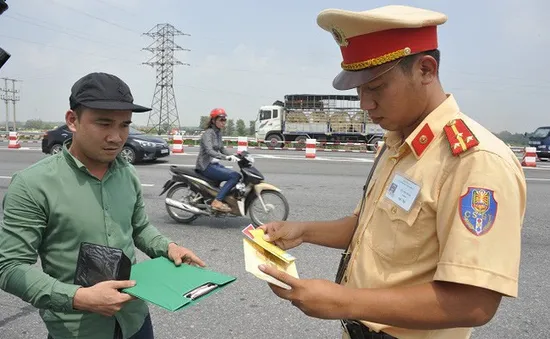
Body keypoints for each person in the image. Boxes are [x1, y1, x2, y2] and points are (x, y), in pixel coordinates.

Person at [257, 5, 527, 339]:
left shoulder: (475, 160)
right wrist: (302, 231)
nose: (364, 104)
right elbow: (368, 227)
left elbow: (474, 302)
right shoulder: (396, 143)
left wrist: (344, 302)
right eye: (358, 90)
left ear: (426, 70)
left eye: (376, 87)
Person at [0, 72, 206, 339]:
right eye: (104, 123)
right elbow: (11, 267)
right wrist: (79, 297)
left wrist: (168, 247)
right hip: (77, 329)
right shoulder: (32, 185)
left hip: (134, 319)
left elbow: (140, 228)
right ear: (72, 120)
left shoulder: (127, 173)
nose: (117, 137)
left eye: (124, 125)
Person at [195, 108, 241, 213]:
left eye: (224, 120)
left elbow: (222, 149)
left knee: (235, 175)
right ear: (213, 120)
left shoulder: (218, 133)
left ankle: (221, 198)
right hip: (205, 166)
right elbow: (209, 151)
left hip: (214, 164)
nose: (223, 122)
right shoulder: (208, 133)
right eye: (221, 120)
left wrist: (234, 156)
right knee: (234, 176)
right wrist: (226, 157)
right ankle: (217, 201)